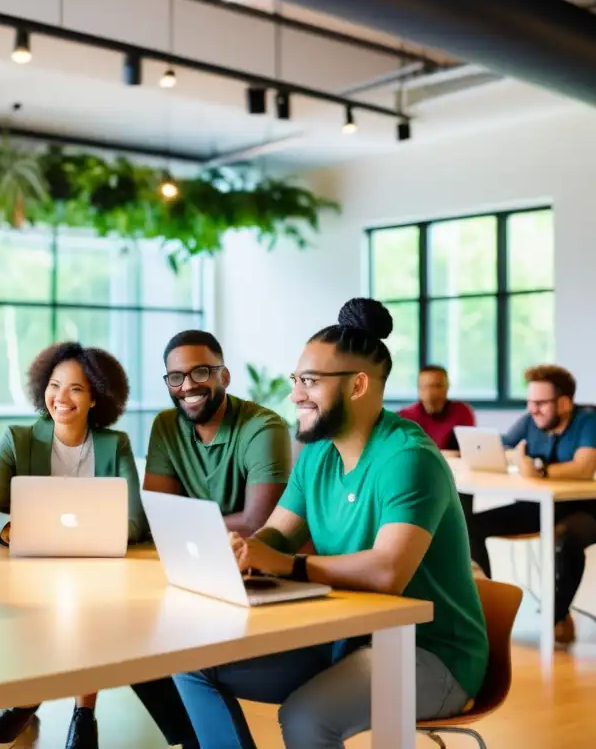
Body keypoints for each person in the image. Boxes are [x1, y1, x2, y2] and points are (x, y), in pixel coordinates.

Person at [167, 299, 488, 749]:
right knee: (189, 659)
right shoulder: (317, 453)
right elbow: (277, 534)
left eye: (310, 382)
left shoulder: (408, 459)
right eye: (296, 380)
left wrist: (287, 565)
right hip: (347, 636)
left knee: (306, 716)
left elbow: (387, 571)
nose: (295, 394)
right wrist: (242, 550)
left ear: (358, 385)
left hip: (430, 654)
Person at [0, 342, 196, 749]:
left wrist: (82, 538)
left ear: (95, 396)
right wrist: (14, 529)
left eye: (76, 388)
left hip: (100, 571)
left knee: (95, 608)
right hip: (31, 574)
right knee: (82, 613)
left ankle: (41, 703)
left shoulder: (115, 445)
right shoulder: (17, 439)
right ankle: (80, 714)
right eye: (54, 385)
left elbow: (135, 521)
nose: (62, 397)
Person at [462, 364, 596, 645]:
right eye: (530, 402)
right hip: (538, 506)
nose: (533, 410)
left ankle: (555, 617)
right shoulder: (529, 421)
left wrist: (539, 469)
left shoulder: (587, 421)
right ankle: (488, 605)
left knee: (566, 536)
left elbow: (584, 467)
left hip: (584, 509)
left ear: (564, 403)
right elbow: (505, 448)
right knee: (468, 522)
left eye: (540, 403)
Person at [144, 330, 291, 537]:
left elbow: (257, 522)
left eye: (200, 372)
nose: (187, 386)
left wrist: (180, 527)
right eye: (176, 377)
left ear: (224, 377)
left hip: (252, 560)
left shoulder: (264, 427)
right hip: (189, 553)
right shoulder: (166, 425)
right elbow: (159, 515)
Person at [398, 364, 476, 452]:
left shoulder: (462, 412)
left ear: (447, 387)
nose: (431, 392)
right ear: (418, 389)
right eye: (426, 387)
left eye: (438, 386)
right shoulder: (404, 417)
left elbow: (470, 449)